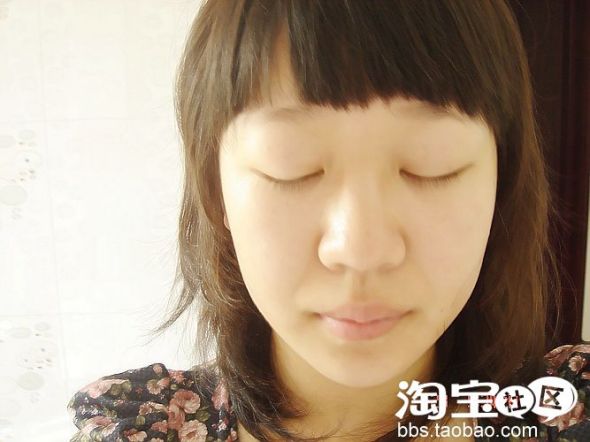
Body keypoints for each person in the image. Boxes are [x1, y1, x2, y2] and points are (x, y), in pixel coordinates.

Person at [67, 1, 589, 441]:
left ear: (501, 183)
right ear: (215, 189)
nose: (360, 248)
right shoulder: (140, 428)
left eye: (432, 163)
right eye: (289, 164)